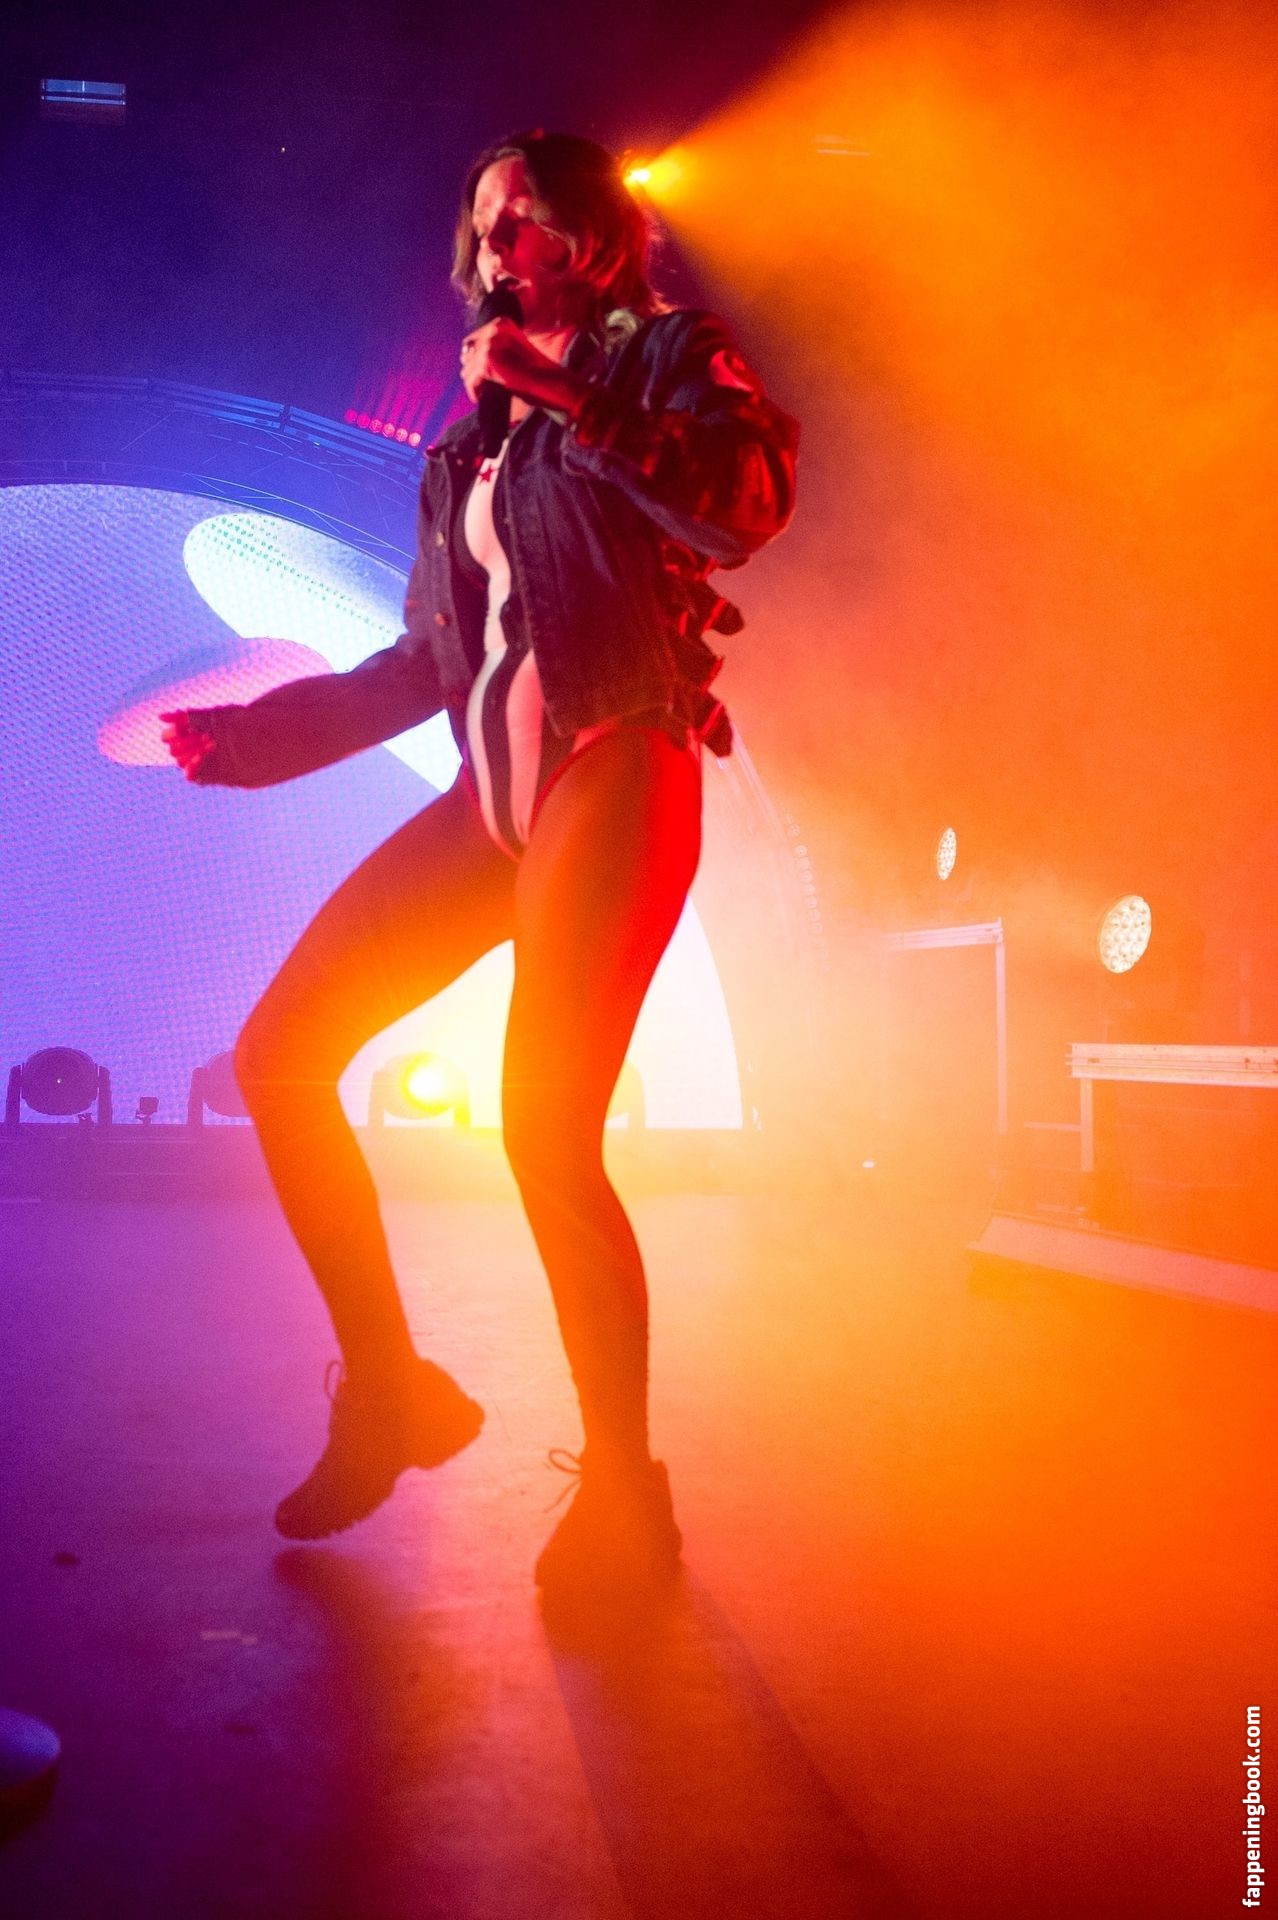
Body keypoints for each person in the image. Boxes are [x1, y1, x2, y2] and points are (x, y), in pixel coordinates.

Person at [161, 130, 798, 1593]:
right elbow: (424, 662)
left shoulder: (663, 357)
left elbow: (745, 502)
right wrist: (253, 737)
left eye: (528, 216)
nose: (502, 244)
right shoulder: (465, 446)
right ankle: (390, 1389)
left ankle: (626, 1489)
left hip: (616, 759)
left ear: (593, 233)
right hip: (487, 803)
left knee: (542, 1131)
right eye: (485, 224)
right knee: (278, 1058)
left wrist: (575, 398)